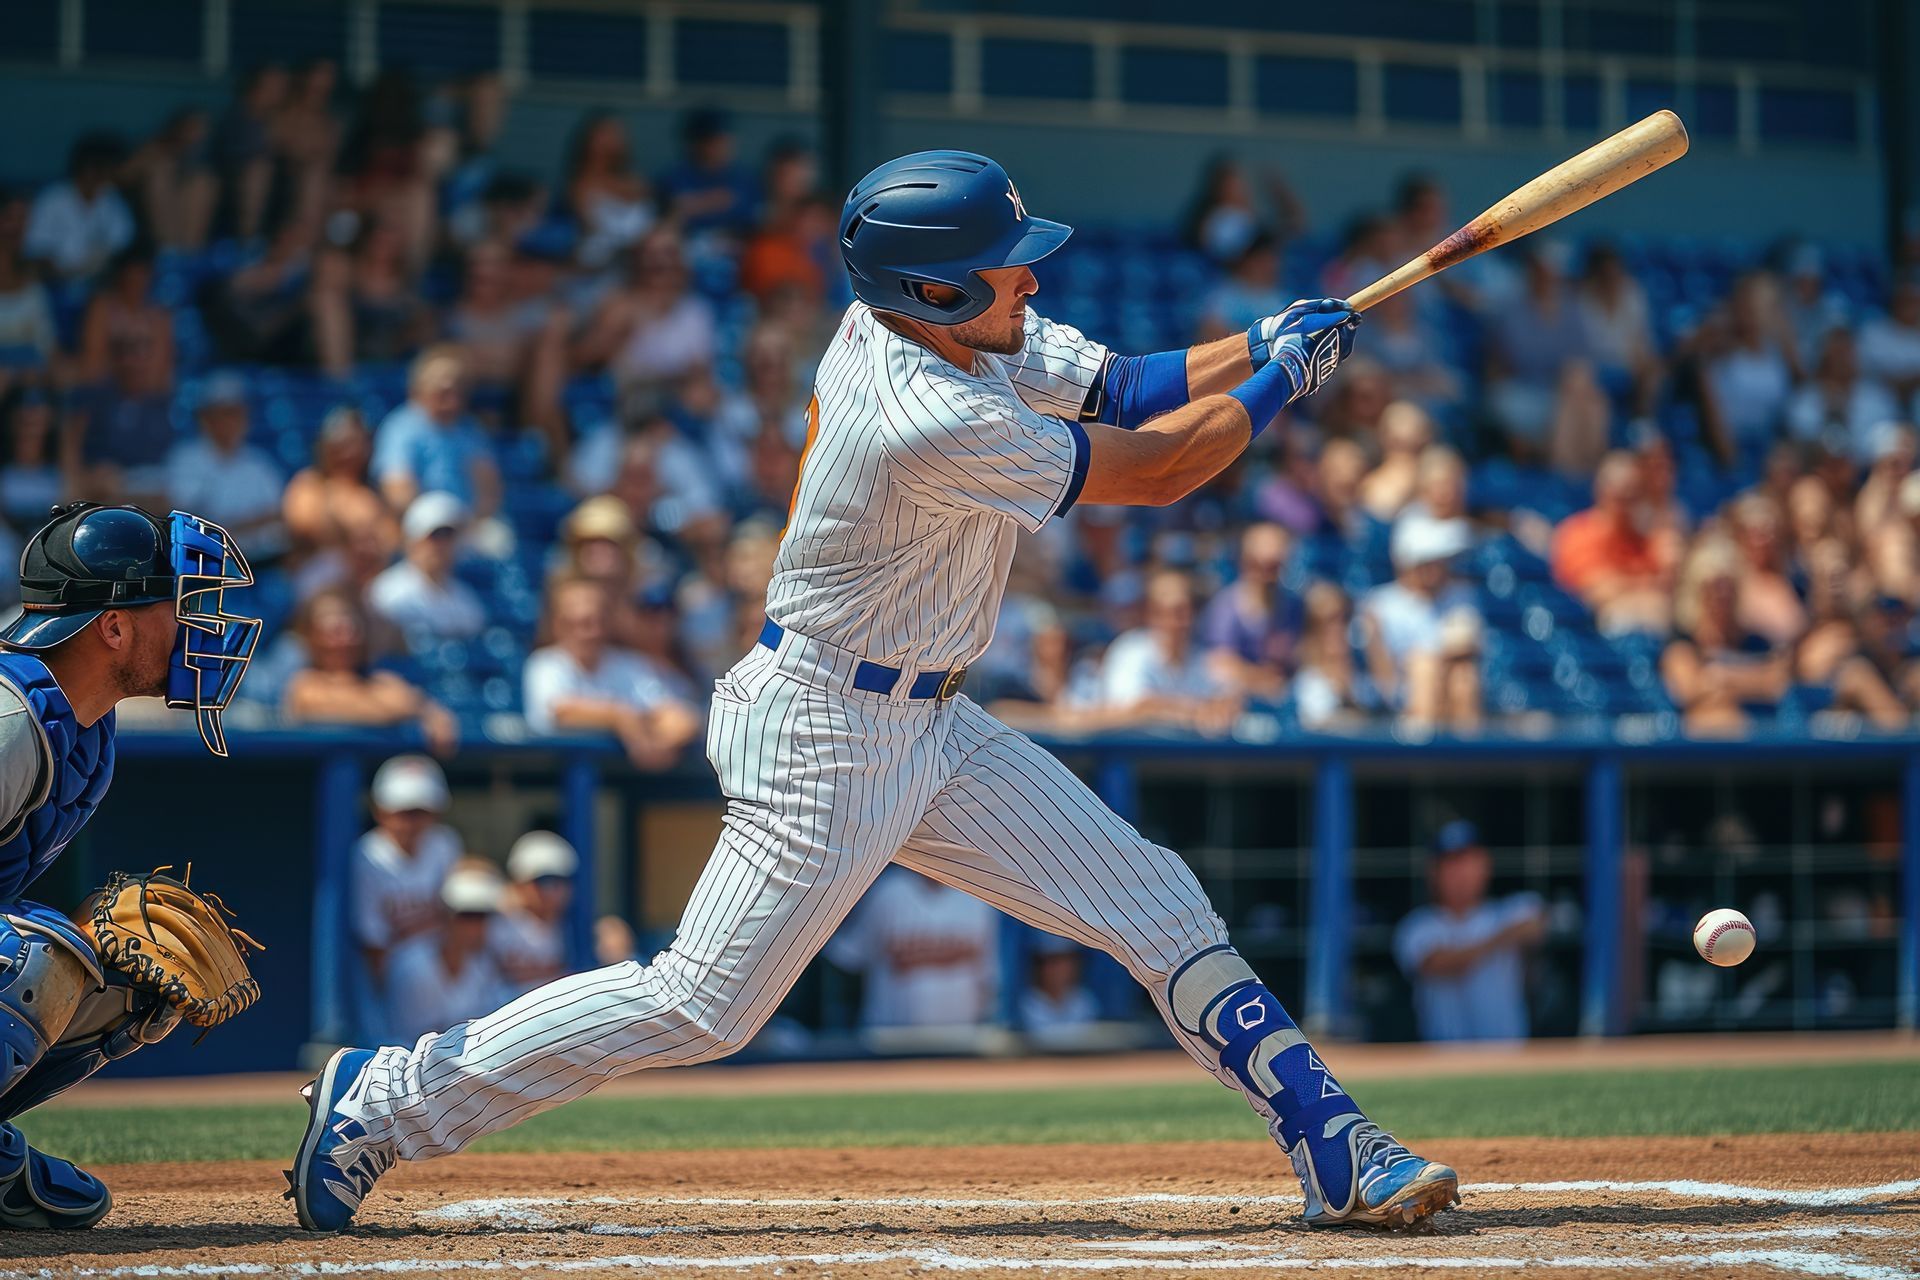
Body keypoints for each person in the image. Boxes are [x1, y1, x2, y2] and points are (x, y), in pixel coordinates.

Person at [290, 150, 1457, 1235]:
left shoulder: (945, 326)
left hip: (934, 720)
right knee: (705, 1003)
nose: (1028, 281)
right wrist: (1276, 387)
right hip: (826, 730)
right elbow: (1155, 468)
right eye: (1007, 268)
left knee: (1156, 900)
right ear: (934, 291)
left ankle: (1333, 1141)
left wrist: (1259, 337)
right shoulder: (925, 410)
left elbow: (1125, 383)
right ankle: (385, 1099)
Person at [0, 503, 258, 1227]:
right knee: (30, 958)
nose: (190, 626)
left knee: (127, 979)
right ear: (113, 627)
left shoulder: (85, 733)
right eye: (172, 606)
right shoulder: (13, 720)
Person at [1392, 821, 1546, 1043]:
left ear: (1485, 866)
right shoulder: (1418, 926)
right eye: (1451, 864)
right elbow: (1438, 964)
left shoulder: (1509, 910)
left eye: (1468, 862)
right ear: (1433, 873)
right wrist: (1503, 938)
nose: (1460, 873)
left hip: (1509, 1057)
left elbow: (1538, 924)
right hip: (1442, 1059)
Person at [520, 576, 699, 767]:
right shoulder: (545, 664)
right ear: (558, 624)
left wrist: (660, 744)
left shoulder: (629, 665)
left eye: (598, 622)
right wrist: (620, 718)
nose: (591, 632)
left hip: (621, 778)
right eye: (580, 623)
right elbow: (562, 712)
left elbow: (679, 715)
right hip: (556, 777)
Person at [281, 589, 457, 754]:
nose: (345, 638)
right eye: (334, 630)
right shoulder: (304, 683)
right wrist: (402, 709)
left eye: (350, 626)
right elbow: (335, 707)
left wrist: (433, 714)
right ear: (313, 636)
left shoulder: (383, 680)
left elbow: (426, 708)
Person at [825, 867, 1002, 1030]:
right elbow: (846, 956)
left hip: (962, 1038)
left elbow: (991, 977)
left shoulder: (978, 897)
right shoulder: (888, 890)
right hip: (889, 1038)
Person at [350, 755, 463, 1003]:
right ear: (381, 811)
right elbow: (373, 944)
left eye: (421, 811)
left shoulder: (444, 843)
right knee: (416, 965)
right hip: (398, 973)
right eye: (404, 812)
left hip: (444, 967)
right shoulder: (368, 855)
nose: (413, 821)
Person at [1363, 515, 1484, 729]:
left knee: (1463, 680)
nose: (1437, 568)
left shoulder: (1461, 595)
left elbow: (1467, 643)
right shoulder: (1379, 605)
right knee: (1423, 669)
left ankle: (1469, 757)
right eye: (1429, 561)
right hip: (1403, 694)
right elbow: (1383, 674)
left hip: (1447, 686)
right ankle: (1418, 750)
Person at [1094, 569, 1240, 733]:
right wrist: (1195, 712)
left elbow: (1228, 697)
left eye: (1185, 611)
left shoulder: (1202, 659)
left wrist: (1224, 706)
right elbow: (1133, 708)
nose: (1177, 621)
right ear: (1151, 613)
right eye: (1167, 611)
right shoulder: (1129, 652)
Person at [164, 372, 288, 563]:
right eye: (225, 413)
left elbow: (278, 517)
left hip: (261, 562)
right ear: (206, 418)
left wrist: (236, 527)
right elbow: (189, 521)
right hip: (203, 562)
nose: (233, 421)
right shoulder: (187, 458)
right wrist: (247, 524)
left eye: (237, 413)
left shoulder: (259, 463)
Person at [370, 346, 503, 522]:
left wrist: (470, 524)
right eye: (444, 393)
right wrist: (434, 524)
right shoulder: (400, 428)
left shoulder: (470, 429)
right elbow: (397, 491)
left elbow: (489, 490)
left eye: (458, 391)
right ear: (420, 389)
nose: (452, 401)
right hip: (419, 522)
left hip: (467, 524)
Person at [383, 863, 510, 1044]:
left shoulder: (484, 965)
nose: (477, 926)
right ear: (446, 917)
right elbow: (408, 1036)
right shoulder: (412, 967)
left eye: (483, 916)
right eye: (467, 916)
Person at [1550, 452, 1674, 635]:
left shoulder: (1646, 536)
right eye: (1623, 497)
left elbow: (1668, 580)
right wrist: (1645, 584)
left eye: (1636, 497)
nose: (1629, 507)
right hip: (1592, 628)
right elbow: (1596, 590)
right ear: (1603, 493)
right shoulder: (1577, 533)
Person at [366, 492, 488, 644]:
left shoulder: (465, 599)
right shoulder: (386, 591)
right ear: (412, 540)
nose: (441, 545)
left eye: (448, 535)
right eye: (434, 535)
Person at [1200, 522, 1300, 703]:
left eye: (1274, 567)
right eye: (1259, 565)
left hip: (1283, 696)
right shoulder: (1226, 607)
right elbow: (1218, 664)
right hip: (1238, 699)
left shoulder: (1292, 605)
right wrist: (1259, 679)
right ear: (1245, 562)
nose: (1266, 575)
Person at [23, 135, 133, 281]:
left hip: (97, 282)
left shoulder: (111, 199)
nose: (112, 176)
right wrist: (63, 272)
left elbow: (121, 241)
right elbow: (36, 250)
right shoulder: (52, 198)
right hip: (54, 282)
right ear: (88, 168)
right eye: (107, 169)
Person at [491, 831, 578, 996]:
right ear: (520, 883)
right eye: (544, 882)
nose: (553, 891)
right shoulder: (498, 922)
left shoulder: (573, 927)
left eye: (560, 881)